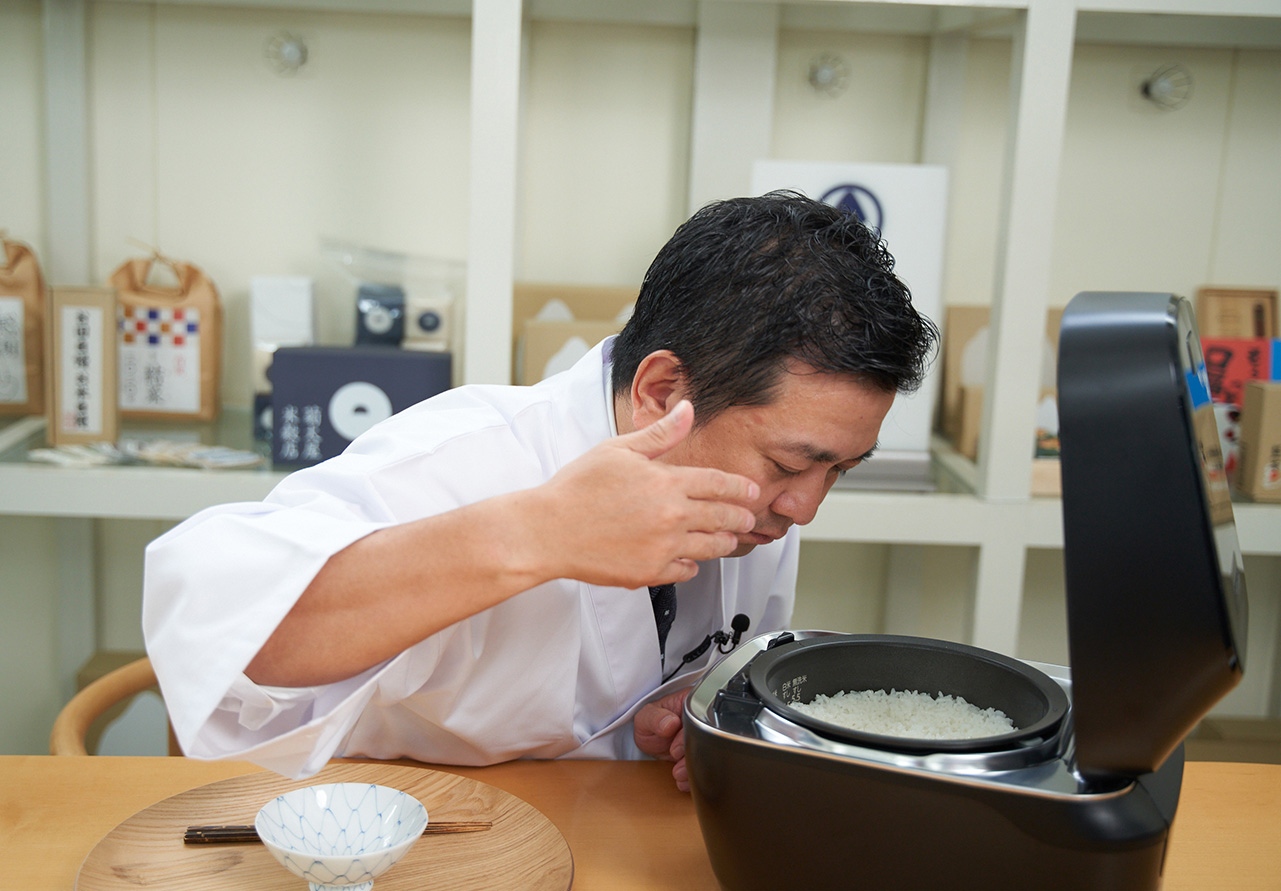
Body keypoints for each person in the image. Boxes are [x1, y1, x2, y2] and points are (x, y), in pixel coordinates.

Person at [142, 191, 937, 788]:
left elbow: (705, 658)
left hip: (600, 834)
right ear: (661, 391)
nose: (804, 507)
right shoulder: (465, 458)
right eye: (791, 465)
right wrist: (536, 534)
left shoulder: (758, 504)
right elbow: (220, 629)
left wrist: (703, 713)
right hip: (398, 839)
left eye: (839, 469)